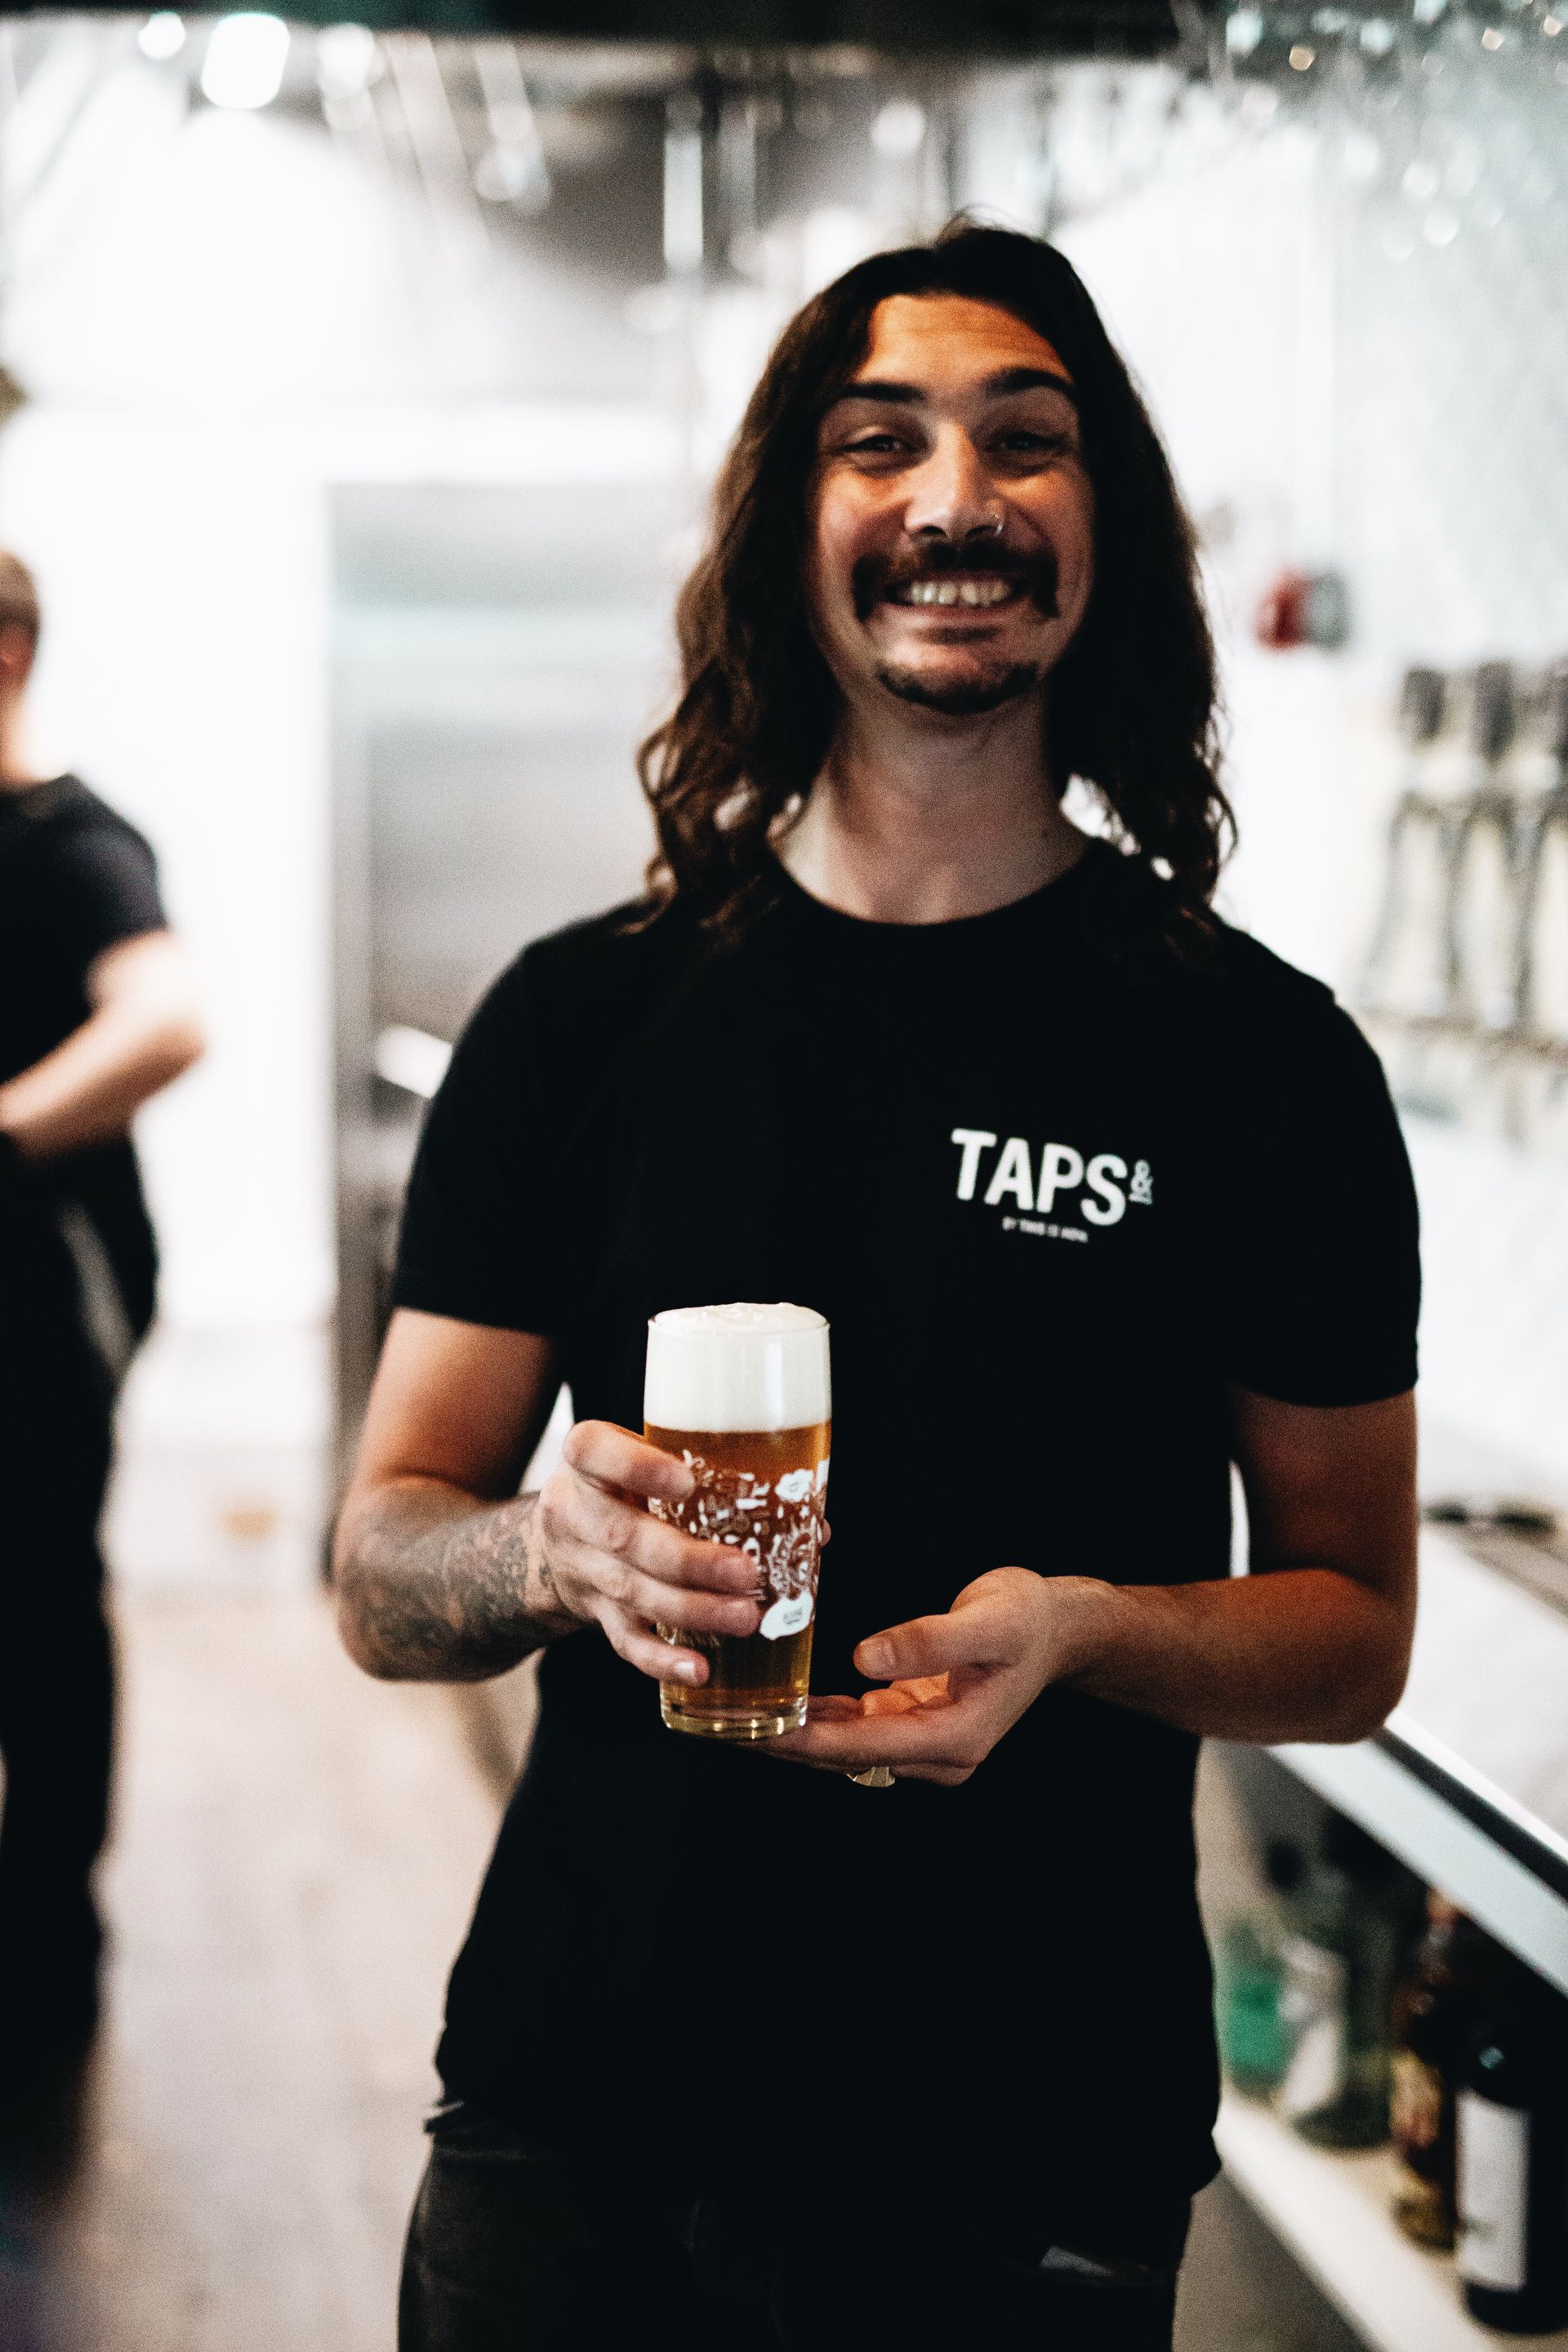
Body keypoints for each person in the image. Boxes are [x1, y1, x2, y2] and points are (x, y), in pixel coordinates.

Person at [335, 225, 1420, 2352]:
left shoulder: (1256, 1061)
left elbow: (1354, 1629)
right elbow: (382, 1570)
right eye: (879, 442)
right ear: (790, 533)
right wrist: (548, 1552)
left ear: (1108, 535)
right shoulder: (581, 1022)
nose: (955, 499)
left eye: (1029, 440)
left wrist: (1084, 1631)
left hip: (1021, 2142)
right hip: (577, 2120)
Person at [0, 550, 204, 2059]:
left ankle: (46, 1952)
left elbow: (166, 1017)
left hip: (36, 1299)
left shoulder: (73, 840)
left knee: (40, 1610)